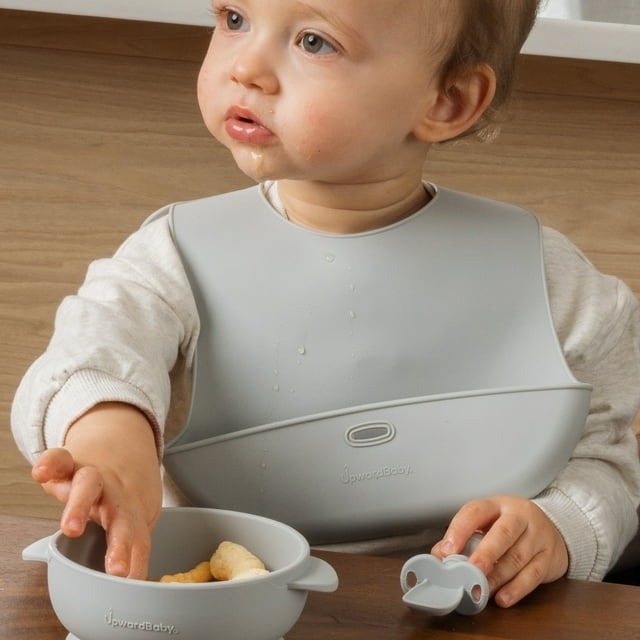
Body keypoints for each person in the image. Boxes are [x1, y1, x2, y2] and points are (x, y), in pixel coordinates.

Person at [11, 0, 640, 609]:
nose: (246, 67)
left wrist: (560, 529)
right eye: (234, 19)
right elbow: (92, 356)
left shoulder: (552, 284)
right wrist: (109, 441)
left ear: (447, 100)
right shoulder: (173, 258)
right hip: (220, 613)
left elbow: (610, 464)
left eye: (314, 41)